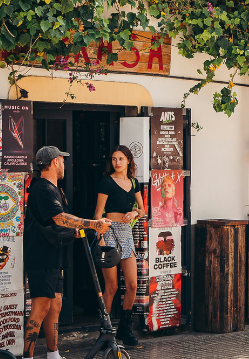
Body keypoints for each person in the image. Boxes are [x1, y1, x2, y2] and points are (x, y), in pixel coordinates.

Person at [23, 146, 111, 359]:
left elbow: (59, 223)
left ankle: (53, 355)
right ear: (54, 162)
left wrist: (80, 231)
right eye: (62, 160)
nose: (64, 164)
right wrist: (93, 224)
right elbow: (59, 218)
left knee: (55, 305)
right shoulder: (42, 188)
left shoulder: (53, 189)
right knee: (41, 306)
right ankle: (27, 356)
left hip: (55, 255)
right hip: (41, 256)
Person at [94, 145, 146, 347]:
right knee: (112, 286)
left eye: (121, 159)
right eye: (114, 159)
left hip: (126, 233)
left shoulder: (133, 182)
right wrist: (100, 237)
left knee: (132, 284)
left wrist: (134, 213)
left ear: (129, 161)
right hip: (108, 231)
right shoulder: (106, 182)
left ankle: (125, 328)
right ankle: (105, 332)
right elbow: (98, 213)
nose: (117, 162)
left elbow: (142, 209)